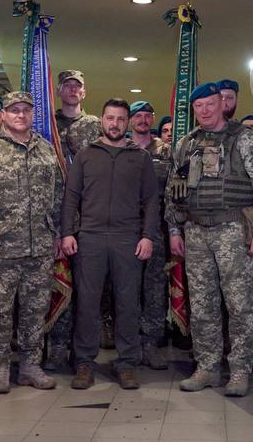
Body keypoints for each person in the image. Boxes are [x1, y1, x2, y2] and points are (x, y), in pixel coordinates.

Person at [167, 81, 253, 397]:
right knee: (202, 304)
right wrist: (175, 230)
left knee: (239, 304)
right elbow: (172, 193)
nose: (204, 111)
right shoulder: (185, 144)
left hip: (233, 231)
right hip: (195, 232)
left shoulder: (242, 139)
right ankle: (207, 367)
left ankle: (240, 370)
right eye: (198, 106)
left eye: (210, 104)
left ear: (222, 104)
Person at [62, 98, 160, 389]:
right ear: (101, 121)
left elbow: (152, 200)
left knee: (128, 303)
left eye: (120, 119)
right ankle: (84, 363)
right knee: (87, 304)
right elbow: (71, 197)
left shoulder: (139, 157)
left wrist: (147, 236)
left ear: (127, 122)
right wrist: (68, 232)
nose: (114, 124)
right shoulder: (85, 155)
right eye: (109, 118)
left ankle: (127, 362)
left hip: (127, 239)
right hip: (90, 238)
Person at [0, 91, 64, 393]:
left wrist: (57, 233)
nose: (21, 115)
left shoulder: (46, 149)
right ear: (4, 115)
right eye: (14, 110)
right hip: (2, 246)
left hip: (40, 245)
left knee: (35, 310)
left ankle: (29, 365)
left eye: (26, 110)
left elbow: (58, 195)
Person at [47, 69, 103, 369]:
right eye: (66, 85)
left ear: (84, 92)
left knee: (87, 288)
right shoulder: (46, 124)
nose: (72, 90)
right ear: (58, 91)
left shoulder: (95, 126)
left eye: (77, 86)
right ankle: (57, 346)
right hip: (55, 217)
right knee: (58, 283)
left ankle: (83, 350)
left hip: (90, 217)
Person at [129, 101, 172, 369]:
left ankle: (151, 343)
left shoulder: (167, 151)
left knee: (155, 288)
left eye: (148, 115)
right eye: (138, 116)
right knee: (127, 287)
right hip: (126, 228)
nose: (144, 120)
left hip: (157, 229)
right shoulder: (121, 149)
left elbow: (175, 191)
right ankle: (130, 342)